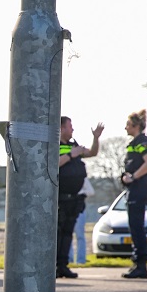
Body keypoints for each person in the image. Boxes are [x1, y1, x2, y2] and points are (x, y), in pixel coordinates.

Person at [56, 116, 102, 278]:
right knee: (58, 233)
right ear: (61, 128)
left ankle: (63, 266)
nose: (73, 129)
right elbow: (52, 163)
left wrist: (95, 138)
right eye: (70, 126)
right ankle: (55, 266)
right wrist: (71, 154)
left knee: (68, 233)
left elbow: (92, 153)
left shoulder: (73, 145)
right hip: (59, 198)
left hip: (74, 199)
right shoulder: (55, 145)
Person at [120, 108, 147, 279]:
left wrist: (133, 177)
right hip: (135, 188)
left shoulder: (142, 142)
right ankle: (138, 264)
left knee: (137, 227)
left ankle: (141, 265)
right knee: (135, 227)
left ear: (135, 126)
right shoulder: (135, 143)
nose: (125, 128)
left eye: (128, 125)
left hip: (140, 188)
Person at [69, 176, 96, 264]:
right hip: (68, 208)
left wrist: (80, 193)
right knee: (67, 235)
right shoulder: (65, 176)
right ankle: (69, 258)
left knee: (80, 235)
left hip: (79, 208)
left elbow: (91, 191)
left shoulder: (82, 178)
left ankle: (81, 260)